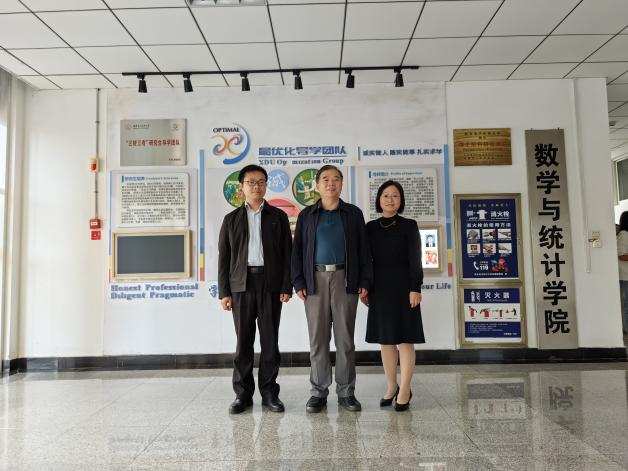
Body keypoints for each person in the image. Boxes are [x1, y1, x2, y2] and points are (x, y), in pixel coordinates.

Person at [291, 165, 373, 413]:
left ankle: (346, 392)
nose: (331, 183)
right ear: (317, 185)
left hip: (346, 279)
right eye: (325, 179)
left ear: (341, 184)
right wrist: (298, 281)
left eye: (336, 179)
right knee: (318, 340)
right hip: (314, 280)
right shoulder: (307, 215)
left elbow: (364, 250)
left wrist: (364, 281)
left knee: (345, 340)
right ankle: (318, 392)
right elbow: (297, 251)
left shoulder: (353, 214)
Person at [218, 164, 292, 414]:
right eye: (251, 182)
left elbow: (287, 254)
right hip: (241, 285)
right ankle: (242, 395)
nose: (256, 186)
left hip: (270, 285)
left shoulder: (278, 217)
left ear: (266, 185)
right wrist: (224, 292)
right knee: (244, 343)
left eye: (261, 182)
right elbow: (224, 258)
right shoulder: (231, 219)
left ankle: (270, 393)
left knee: (270, 342)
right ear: (242, 186)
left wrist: (286, 285)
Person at [363, 180, 424, 411]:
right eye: (386, 195)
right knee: (386, 340)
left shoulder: (409, 225)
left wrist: (415, 287)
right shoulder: (370, 227)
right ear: (379, 199)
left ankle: (405, 389)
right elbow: (366, 261)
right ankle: (391, 386)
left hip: (405, 288)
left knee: (405, 339)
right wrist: (365, 286)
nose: (390, 199)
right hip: (379, 288)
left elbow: (415, 259)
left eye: (395, 195)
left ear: (401, 200)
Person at [616, 211, 628, 337]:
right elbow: (621, 255)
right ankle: (626, 328)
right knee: (627, 304)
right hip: (625, 276)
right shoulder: (624, 235)